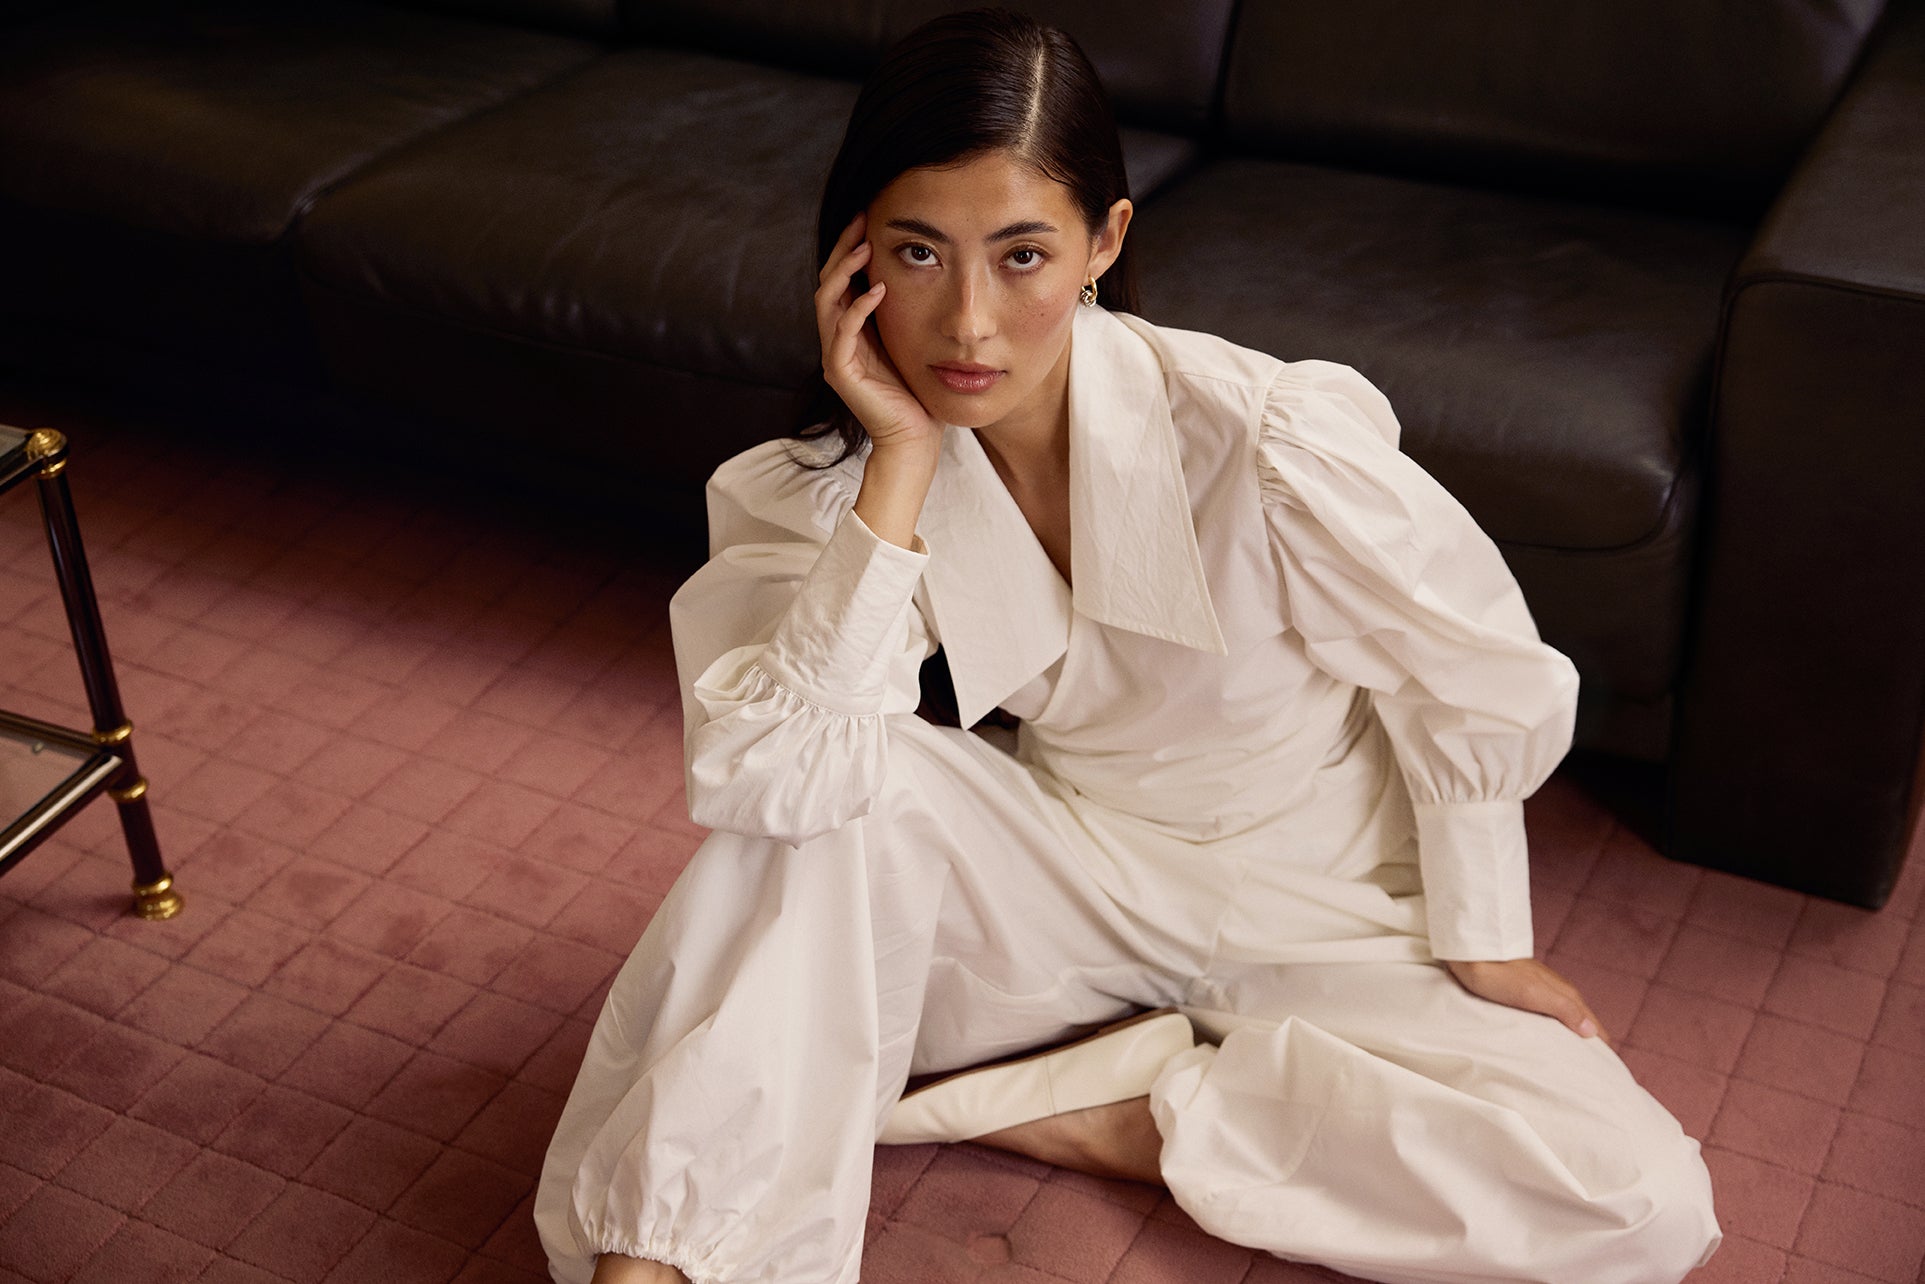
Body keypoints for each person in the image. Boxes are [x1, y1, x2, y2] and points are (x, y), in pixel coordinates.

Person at [535, 10, 1722, 1283]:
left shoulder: (1263, 436)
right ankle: (657, 1268)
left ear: (1102, 242)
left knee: (1635, 1204)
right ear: (854, 253)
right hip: (1078, 876)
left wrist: (1482, 930)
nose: (968, 324)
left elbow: (1472, 666)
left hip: (1329, 903)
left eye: (1022, 255)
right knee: (833, 808)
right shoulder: (830, 488)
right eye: (920, 252)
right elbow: (766, 779)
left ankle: (1128, 1113)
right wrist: (899, 462)